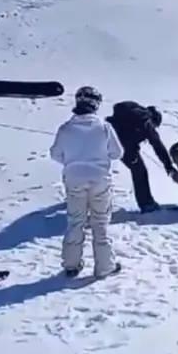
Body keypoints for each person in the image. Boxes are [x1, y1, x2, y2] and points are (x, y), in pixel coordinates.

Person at [50, 86, 125, 278]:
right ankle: (104, 266)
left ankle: (71, 264)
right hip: (100, 178)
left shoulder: (65, 129)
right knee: (100, 222)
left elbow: (55, 154)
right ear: (96, 104)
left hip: (73, 178)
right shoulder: (104, 127)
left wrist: (73, 161)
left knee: (76, 221)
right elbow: (118, 153)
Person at [105, 101, 178, 212]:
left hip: (107, 138)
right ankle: (147, 204)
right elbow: (157, 144)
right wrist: (168, 165)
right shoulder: (146, 121)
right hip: (125, 146)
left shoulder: (134, 114)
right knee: (140, 171)